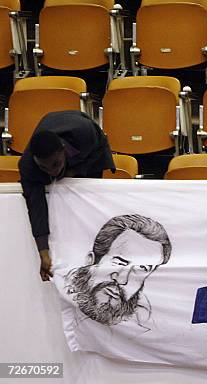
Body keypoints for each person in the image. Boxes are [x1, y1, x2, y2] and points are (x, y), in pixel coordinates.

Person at [19, 110, 115, 282]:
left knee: (87, 203)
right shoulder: (27, 166)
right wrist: (43, 252)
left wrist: (75, 171)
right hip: (56, 134)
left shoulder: (84, 133)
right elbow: (36, 208)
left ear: (63, 151)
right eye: (44, 168)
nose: (52, 171)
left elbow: (100, 152)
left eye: (55, 164)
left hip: (88, 144)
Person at [65, 214, 172, 326]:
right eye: (119, 262)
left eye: (142, 268)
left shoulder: (147, 326)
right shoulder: (58, 303)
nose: (122, 279)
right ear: (91, 260)